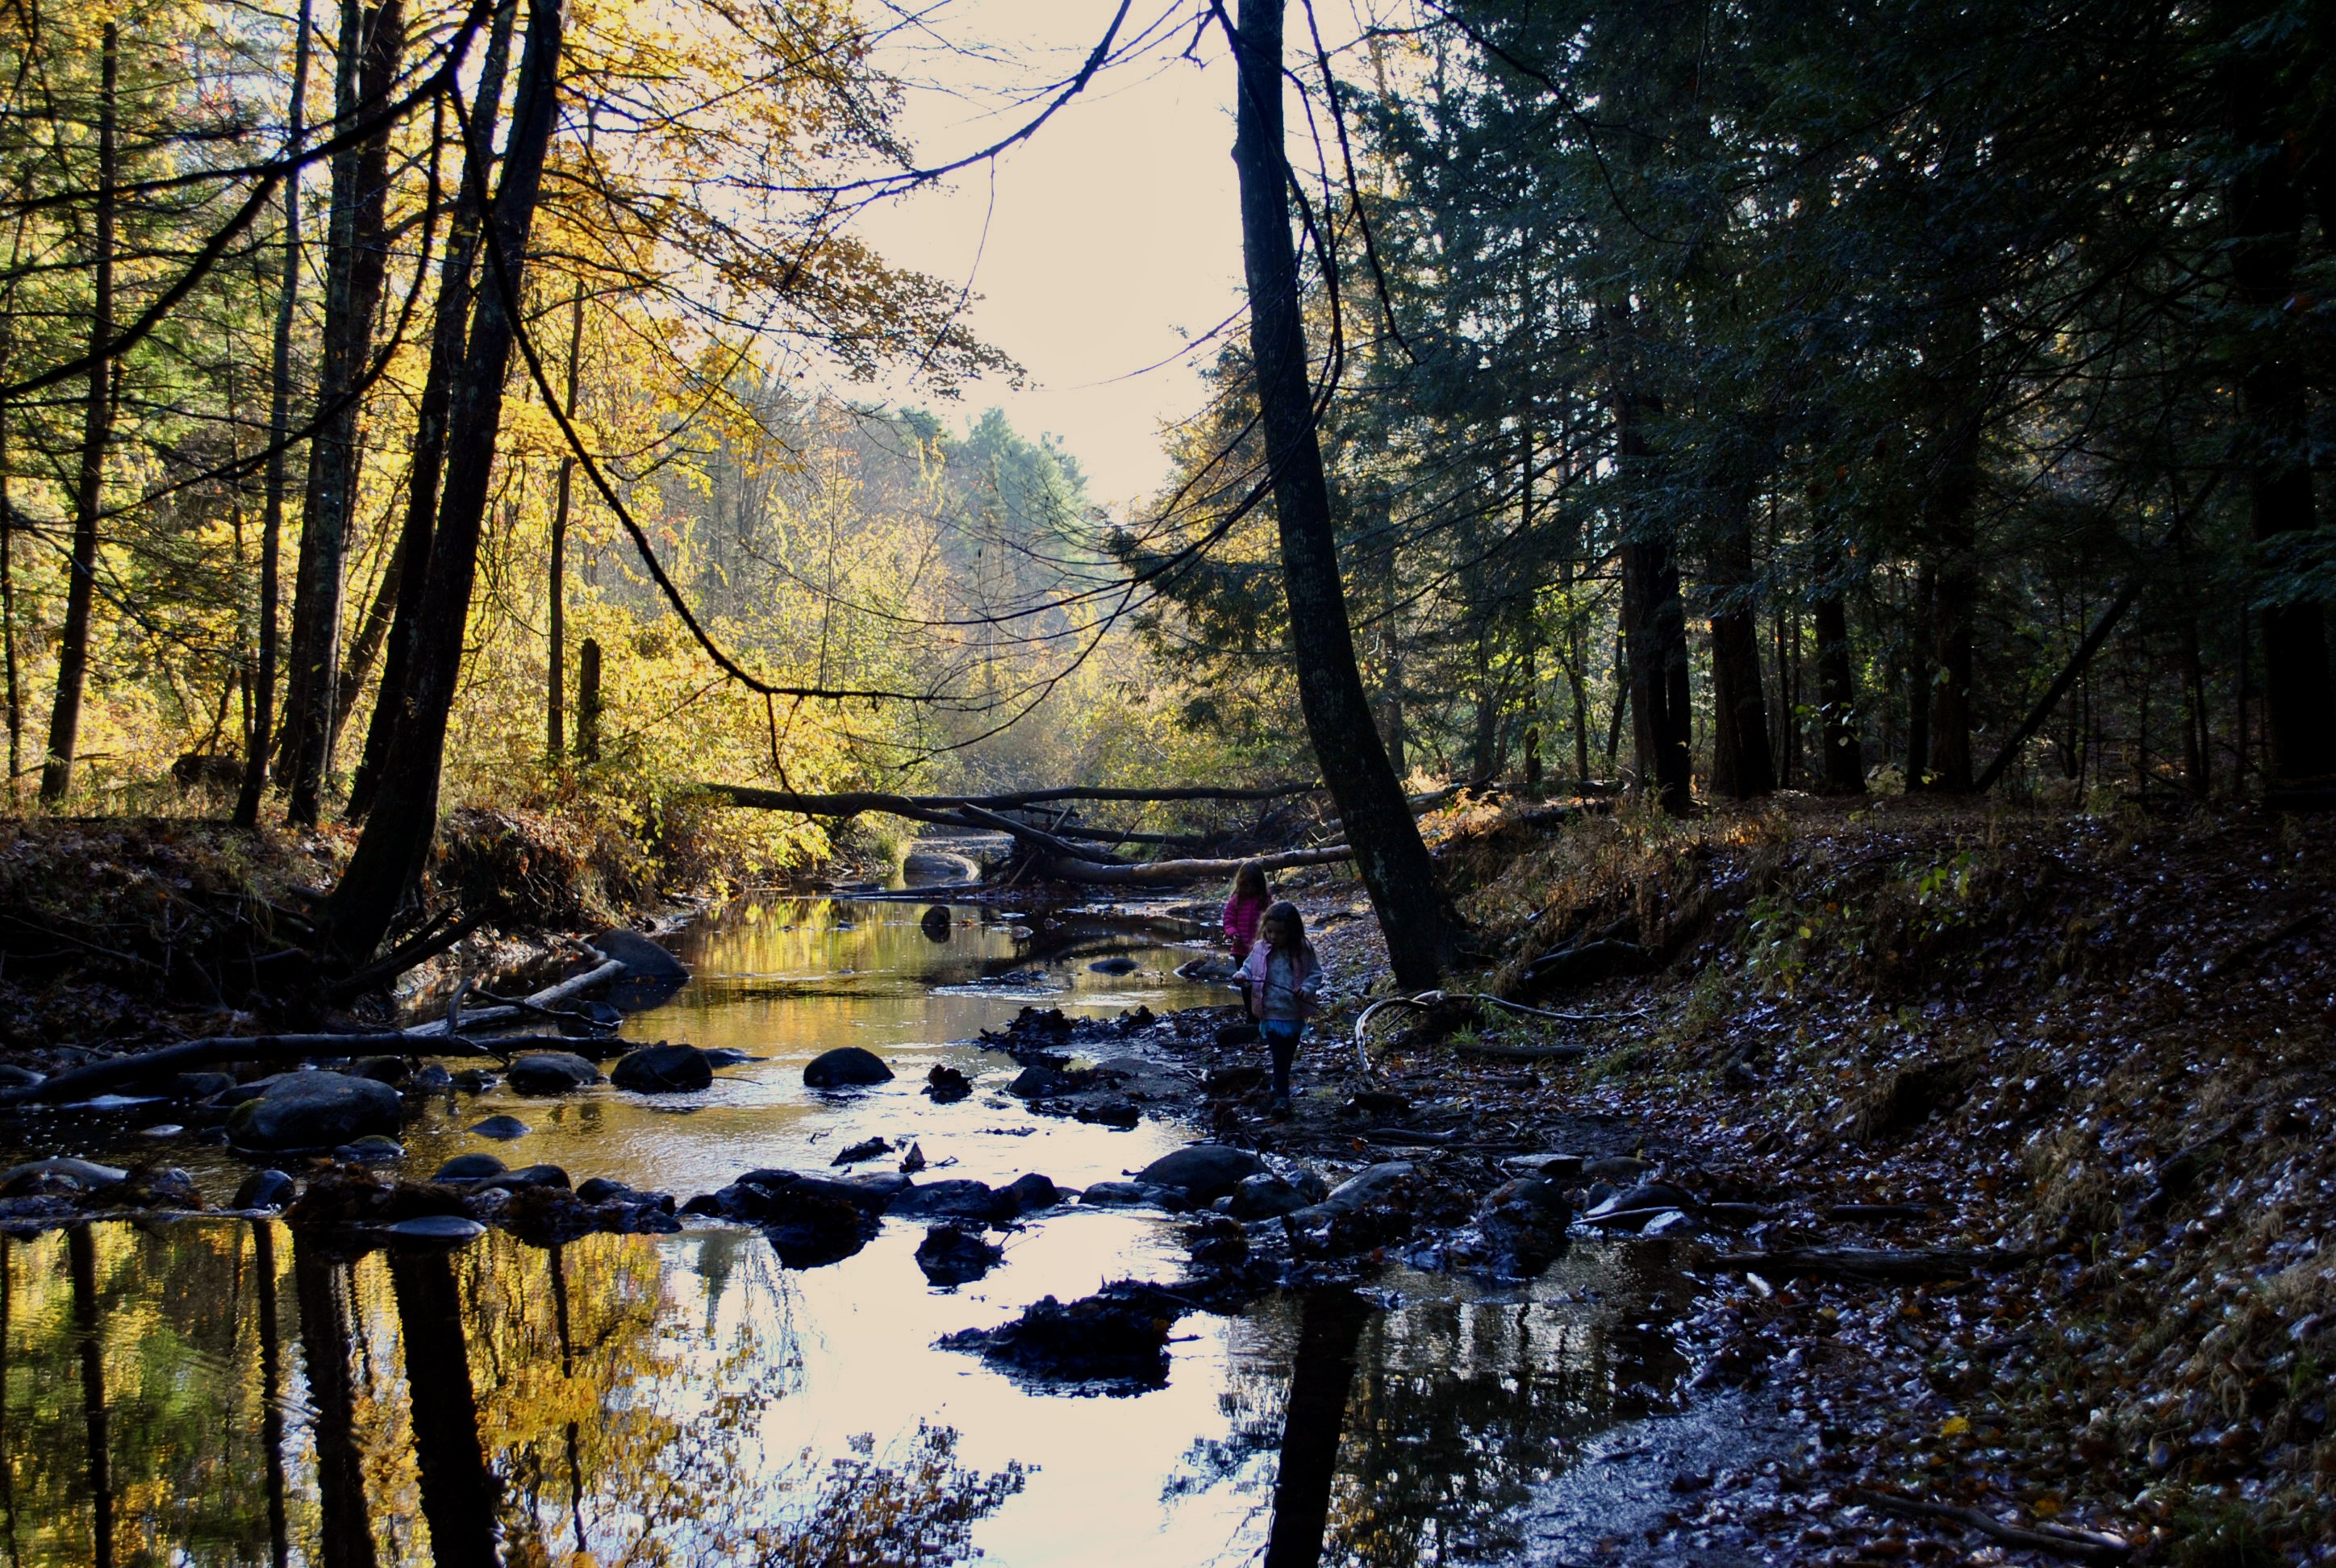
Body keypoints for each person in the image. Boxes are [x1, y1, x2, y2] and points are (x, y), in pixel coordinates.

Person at [1237, 900, 1322, 1114]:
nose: (1274, 937)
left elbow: (1315, 973)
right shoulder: (1260, 948)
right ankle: (1283, 1098)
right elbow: (1249, 968)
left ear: (1292, 932)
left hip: (1293, 1012)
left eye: (1280, 933)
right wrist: (1242, 976)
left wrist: (1306, 988)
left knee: (1288, 1055)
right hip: (1271, 1012)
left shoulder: (1302, 950)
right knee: (1279, 1055)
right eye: (1270, 931)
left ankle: (1277, 1087)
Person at [1221, 860, 1270, 965]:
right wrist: (1233, 933)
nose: (1249, 889)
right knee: (1242, 975)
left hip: (1261, 948)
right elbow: (1228, 921)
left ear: (1259, 884)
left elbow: (1271, 919)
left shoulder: (1265, 899)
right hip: (1240, 949)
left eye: (1253, 886)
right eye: (1246, 886)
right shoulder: (1236, 900)